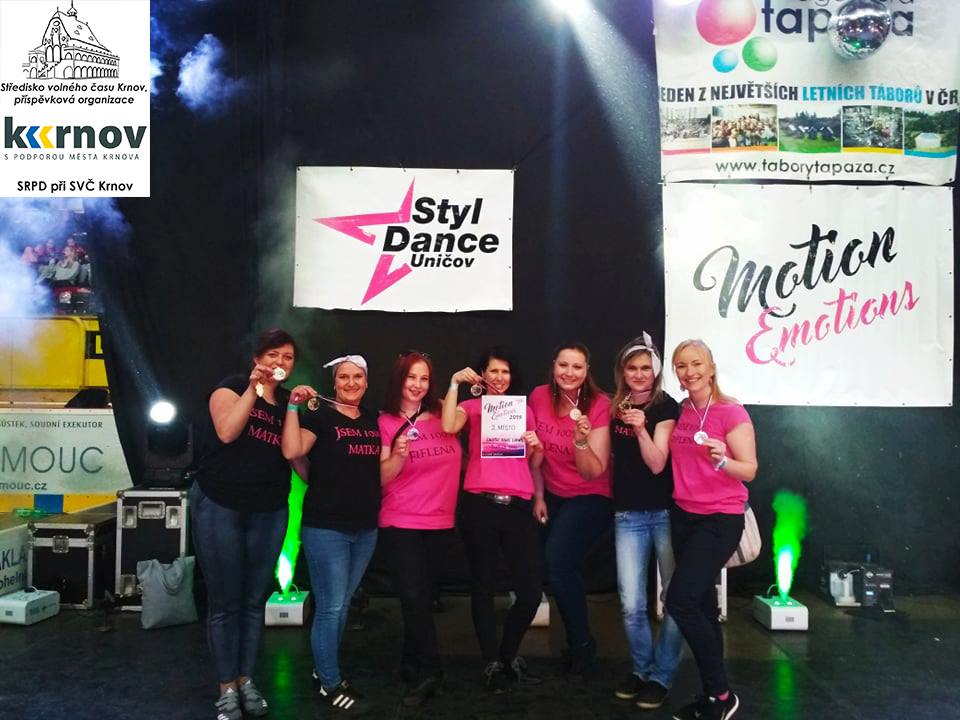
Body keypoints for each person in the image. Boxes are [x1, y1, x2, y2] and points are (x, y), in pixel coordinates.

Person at [190, 328, 298, 720]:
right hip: (221, 504)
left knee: (254, 602)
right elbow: (227, 432)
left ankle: (246, 680)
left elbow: (294, 453)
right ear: (257, 358)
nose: (280, 362)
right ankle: (226, 688)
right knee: (224, 603)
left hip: (269, 509)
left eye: (287, 357)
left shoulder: (288, 402)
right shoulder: (231, 388)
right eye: (273, 354)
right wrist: (254, 389)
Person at [442, 346, 545, 694]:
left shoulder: (523, 410)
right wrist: (454, 383)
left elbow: (532, 462)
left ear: (512, 376)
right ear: (482, 375)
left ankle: (507, 655)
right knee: (483, 586)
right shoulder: (473, 407)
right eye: (493, 371)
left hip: (518, 505)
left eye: (505, 372)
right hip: (480, 504)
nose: (499, 378)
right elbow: (447, 425)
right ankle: (491, 662)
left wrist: (536, 444)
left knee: (530, 591)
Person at [282, 354, 381, 714]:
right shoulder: (320, 415)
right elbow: (292, 451)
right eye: (343, 377)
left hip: (365, 528)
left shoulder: (371, 418)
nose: (351, 383)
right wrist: (292, 407)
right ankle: (330, 683)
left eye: (357, 377)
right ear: (334, 383)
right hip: (326, 527)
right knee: (331, 607)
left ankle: (323, 668)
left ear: (366, 382)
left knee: (341, 605)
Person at [666, 340, 757, 720]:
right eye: (681, 366)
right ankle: (713, 697)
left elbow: (749, 470)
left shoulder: (731, 411)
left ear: (711, 367)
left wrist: (723, 462)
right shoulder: (683, 410)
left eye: (696, 363)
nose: (689, 372)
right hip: (684, 517)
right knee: (702, 606)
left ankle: (722, 692)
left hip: (720, 519)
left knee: (679, 602)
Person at [377, 351, 461, 707]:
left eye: (424, 378)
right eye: (411, 377)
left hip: (441, 521)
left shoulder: (444, 415)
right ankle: (431, 670)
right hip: (401, 520)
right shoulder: (384, 421)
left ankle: (410, 660)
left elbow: (470, 422)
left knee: (423, 597)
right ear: (399, 379)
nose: (417, 384)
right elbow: (381, 477)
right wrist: (398, 454)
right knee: (413, 596)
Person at [527, 342, 612, 682]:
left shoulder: (600, 404)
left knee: (559, 563)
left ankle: (583, 646)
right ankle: (578, 644)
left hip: (591, 496)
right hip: (552, 493)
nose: (569, 372)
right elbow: (536, 455)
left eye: (577, 367)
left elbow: (593, 471)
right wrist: (538, 496)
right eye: (564, 365)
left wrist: (580, 442)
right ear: (553, 366)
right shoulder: (538, 397)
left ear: (587, 371)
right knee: (556, 567)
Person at [609, 334, 684, 711]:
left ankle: (662, 675)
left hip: (665, 513)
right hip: (627, 514)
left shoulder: (665, 405)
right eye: (632, 368)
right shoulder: (614, 407)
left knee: (675, 598)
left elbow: (657, 464)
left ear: (655, 371)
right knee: (631, 603)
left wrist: (640, 428)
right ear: (622, 372)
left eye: (645, 368)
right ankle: (641, 670)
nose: (639, 374)